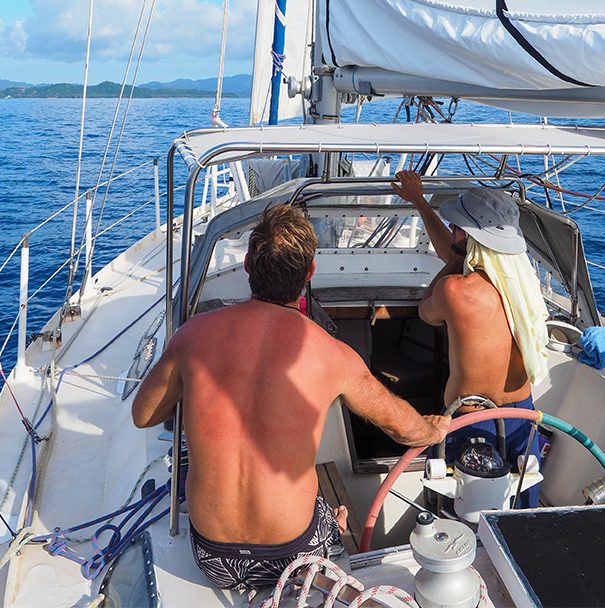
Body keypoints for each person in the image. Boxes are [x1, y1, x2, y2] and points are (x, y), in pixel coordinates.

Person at [132, 202, 450, 590]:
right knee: (331, 513)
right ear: (310, 272)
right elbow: (405, 430)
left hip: (212, 559)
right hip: (291, 558)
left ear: (248, 265)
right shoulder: (331, 354)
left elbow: (144, 415)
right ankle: (334, 529)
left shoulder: (194, 334)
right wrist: (434, 429)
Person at [391, 172, 550, 507]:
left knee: (463, 518)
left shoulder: (455, 290)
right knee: (521, 514)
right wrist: (421, 204)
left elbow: (425, 312)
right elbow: (458, 251)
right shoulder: (522, 283)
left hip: (471, 421)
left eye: (457, 228)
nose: (451, 232)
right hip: (522, 417)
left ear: (473, 238)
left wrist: (454, 258)